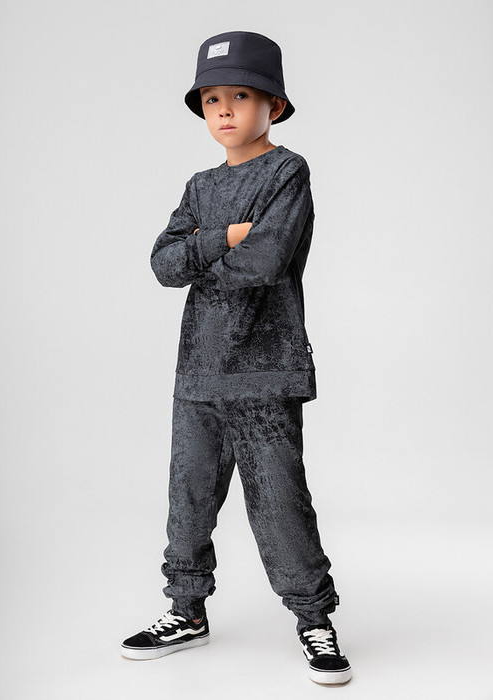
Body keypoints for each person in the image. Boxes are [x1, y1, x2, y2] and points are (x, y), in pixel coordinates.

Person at [121, 30, 352, 686]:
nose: (223, 109)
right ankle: (185, 610)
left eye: (240, 96)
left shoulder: (287, 172)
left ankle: (313, 618)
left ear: (272, 105)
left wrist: (202, 254)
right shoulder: (199, 187)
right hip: (197, 374)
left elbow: (265, 262)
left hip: (265, 371)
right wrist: (222, 235)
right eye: (211, 99)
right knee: (188, 500)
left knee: (279, 503)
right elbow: (164, 264)